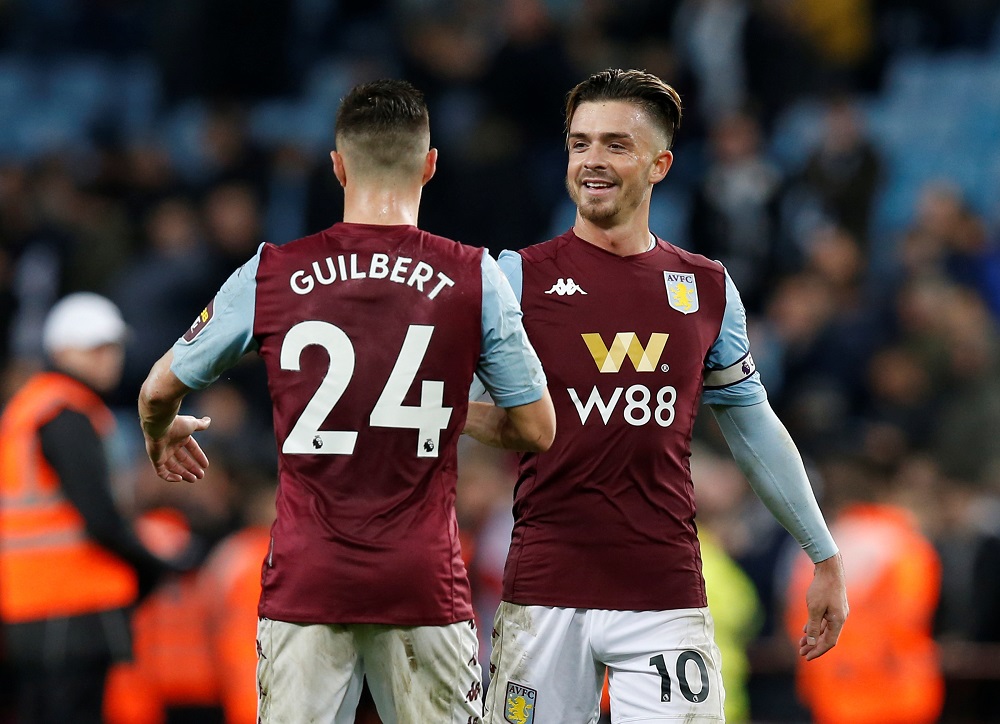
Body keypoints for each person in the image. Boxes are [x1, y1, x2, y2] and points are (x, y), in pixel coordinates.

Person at [137, 79, 555, 723]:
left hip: (308, 579)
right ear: (429, 164)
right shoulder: (476, 276)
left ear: (336, 166)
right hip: (423, 580)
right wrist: (440, 403)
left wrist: (159, 428)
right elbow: (536, 427)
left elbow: (159, 387)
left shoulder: (272, 272)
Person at [464, 68, 847, 723]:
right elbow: (444, 402)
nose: (591, 160)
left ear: (659, 163)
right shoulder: (514, 278)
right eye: (579, 143)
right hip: (544, 592)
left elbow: (753, 427)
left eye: (615, 144)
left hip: (663, 591)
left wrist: (825, 555)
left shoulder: (707, 288)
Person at [0, 292, 175, 724]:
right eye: (96, 348)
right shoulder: (66, 412)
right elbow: (100, 518)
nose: (109, 359)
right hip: (71, 611)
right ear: (63, 351)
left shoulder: (33, 408)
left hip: (31, 607)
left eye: (113, 347)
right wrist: (153, 567)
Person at [784, 457, 942, 724]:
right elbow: (910, 613)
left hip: (833, 690)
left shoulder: (818, 549)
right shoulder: (903, 543)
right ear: (890, 491)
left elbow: (796, 618)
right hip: (897, 693)